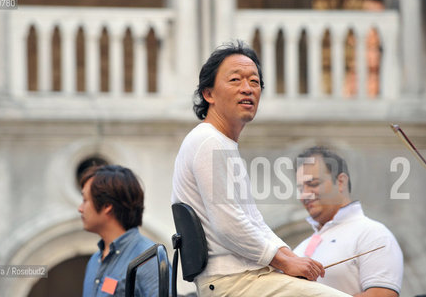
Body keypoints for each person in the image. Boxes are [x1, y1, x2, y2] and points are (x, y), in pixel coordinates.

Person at [172, 41, 351, 296]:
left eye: (254, 82)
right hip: (232, 281)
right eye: (235, 80)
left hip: (246, 277)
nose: (247, 89)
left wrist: (289, 256)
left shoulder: (221, 143)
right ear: (208, 94)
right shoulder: (208, 141)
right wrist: (286, 262)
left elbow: (253, 220)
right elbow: (229, 225)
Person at [293, 146, 403, 296]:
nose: (304, 195)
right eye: (300, 188)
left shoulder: (374, 234)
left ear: (340, 182)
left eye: (313, 184)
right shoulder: (300, 248)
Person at [78, 164, 158, 296]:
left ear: (107, 206)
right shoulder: (94, 261)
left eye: (85, 200)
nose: (80, 208)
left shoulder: (148, 258)